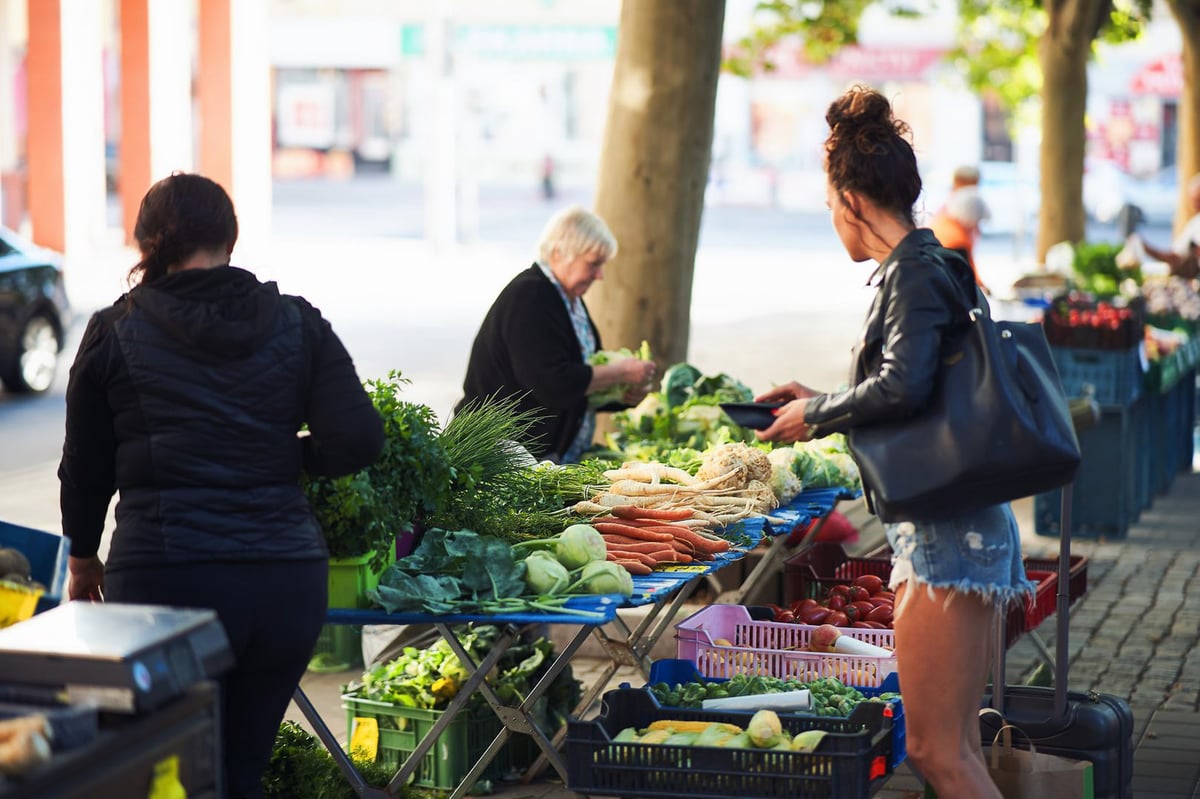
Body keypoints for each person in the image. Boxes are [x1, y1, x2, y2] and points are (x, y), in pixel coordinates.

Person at [58, 173, 384, 798]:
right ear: (230, 239)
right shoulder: (297, 321)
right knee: (239, 766)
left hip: (166, 581)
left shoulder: (115, 330)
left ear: (148, 244)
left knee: (169, 771)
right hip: (283, 582)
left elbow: (86, 462)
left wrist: (81, 556)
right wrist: (281, 455)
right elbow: (359, 439)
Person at [755, 86, 1032, 798]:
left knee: (937, 752)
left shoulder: (910, 272)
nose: (832, 223)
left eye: (827, 208)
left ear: (850, 201)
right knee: (957, 745)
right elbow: (919, 387)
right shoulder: (935, 260)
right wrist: (816, 396)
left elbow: (903, 387)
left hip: (946, 532)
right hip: (965, 519)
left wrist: (817, 411)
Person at [456, 205, 655, 462]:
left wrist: (620, 396)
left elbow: (579, 379)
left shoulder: (568, 299)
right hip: (500, 456)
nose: (600, 275)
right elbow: (553, 383)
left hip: (541, 456)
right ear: (560, 253)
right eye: (593, 264)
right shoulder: (531, 296)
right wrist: (621, 372)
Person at [929, 183, 992, 294]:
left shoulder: (943, 220)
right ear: (972, 217)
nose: (977, 228)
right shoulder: (957, 240)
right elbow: (965, 278)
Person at [1136, 172, 1200, 280]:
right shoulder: (1196, 223)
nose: (1194, 205)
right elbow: (1176, 254)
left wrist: (1146, 248)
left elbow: (1175, 256)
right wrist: (1145, 247)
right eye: (1194, 201)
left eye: (1197, 201)